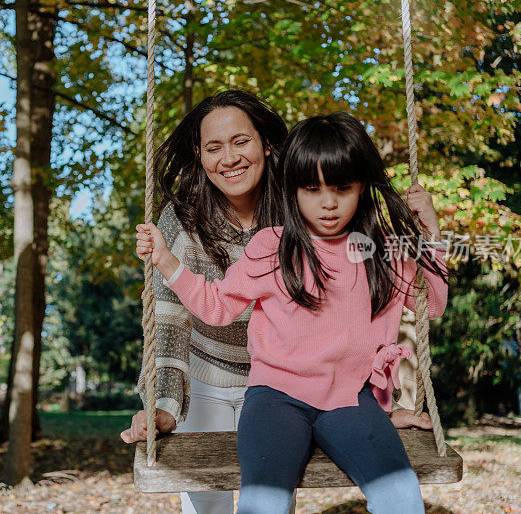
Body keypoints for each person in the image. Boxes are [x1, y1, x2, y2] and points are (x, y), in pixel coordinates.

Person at [134, 112, 449, 514]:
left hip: (350, 400)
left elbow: (432, 304)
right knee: (264, 504)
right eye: (312, 189)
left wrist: (432, 236)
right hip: (275, 399)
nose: (329, 202)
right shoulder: (273, 246)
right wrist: (166, 262)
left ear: (362, 187)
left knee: (402, 500)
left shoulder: (380, 250)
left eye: (342, 187)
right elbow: (215, 307)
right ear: (293, 191)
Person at [120, 90, 287, 514]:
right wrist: (164, 405)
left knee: (270, 504)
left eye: (241, 141)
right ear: (199, 155)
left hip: (279, 382)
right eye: (214, 147)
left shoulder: (295, 211)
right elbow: (170, 321)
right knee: (207, 506)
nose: (229, 157)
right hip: (204, 378)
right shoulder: (182, 220)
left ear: (265, 144)